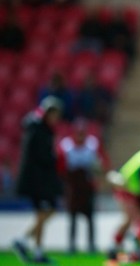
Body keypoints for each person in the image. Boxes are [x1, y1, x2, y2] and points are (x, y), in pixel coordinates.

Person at [13, 96, 63, 263]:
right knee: (44, 212)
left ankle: (25, 243)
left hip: (40, 180)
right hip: (37, 181)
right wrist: (54, 158)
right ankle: (34, 249)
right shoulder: (37, 130)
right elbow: (39, 157)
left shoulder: (39, 129)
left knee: (45, 213)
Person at [57, 118, 110, 254]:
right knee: (72, 216)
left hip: (87, 186)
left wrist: (98, 171)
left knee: (90, 217)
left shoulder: (93, 145)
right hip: (73, 187)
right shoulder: (66, 146)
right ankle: (72, 244)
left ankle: (91, 244)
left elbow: (102, 162)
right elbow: (60, 166)